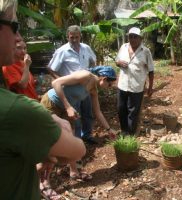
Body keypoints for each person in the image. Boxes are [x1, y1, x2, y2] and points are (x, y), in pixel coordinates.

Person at [0, 1, 86, 199]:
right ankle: (45, 184)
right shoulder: (13, 106)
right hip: (28, 114)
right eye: (15, 27)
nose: (18, 39)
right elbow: (77, 150)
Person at [40, 66, 117, 182]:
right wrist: (68, 107)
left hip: (67, 110)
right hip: (51, 104)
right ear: (104, 79)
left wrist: (109, 129)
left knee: (71, 139)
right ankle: (44, 182)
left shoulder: (94, 90)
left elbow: (98, 112)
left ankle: (73, 171)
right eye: (109, 85)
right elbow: (56, 83)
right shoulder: (85, 75)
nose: (109, 88)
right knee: (52, 140)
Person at [48, 25, 97, 144]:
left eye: (76, 37)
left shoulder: (86, 48)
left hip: (85, 88)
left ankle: (87, 135)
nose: (74, 40)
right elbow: (51, 68)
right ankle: (77, 141)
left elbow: (93, 61)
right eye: (71, 37)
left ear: (80, 36)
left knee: (88, 112)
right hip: (71, 90)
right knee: (76, 117)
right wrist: (60, 81)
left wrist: (92, 75)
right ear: (67, 37)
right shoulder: (62, 51)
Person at [115, 27, 154, 135]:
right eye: (130, 36)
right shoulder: (123, 47)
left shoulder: (145, 51)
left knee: (133, 112)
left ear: (140, 38)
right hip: (122, 85)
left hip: (136, 87)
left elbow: (151, 71)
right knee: (121, 109)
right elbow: (117, 61)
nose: (132, 39)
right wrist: (119, 63)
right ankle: (124, 130)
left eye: (135, 37)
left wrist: (150, 88)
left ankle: (131, 134)